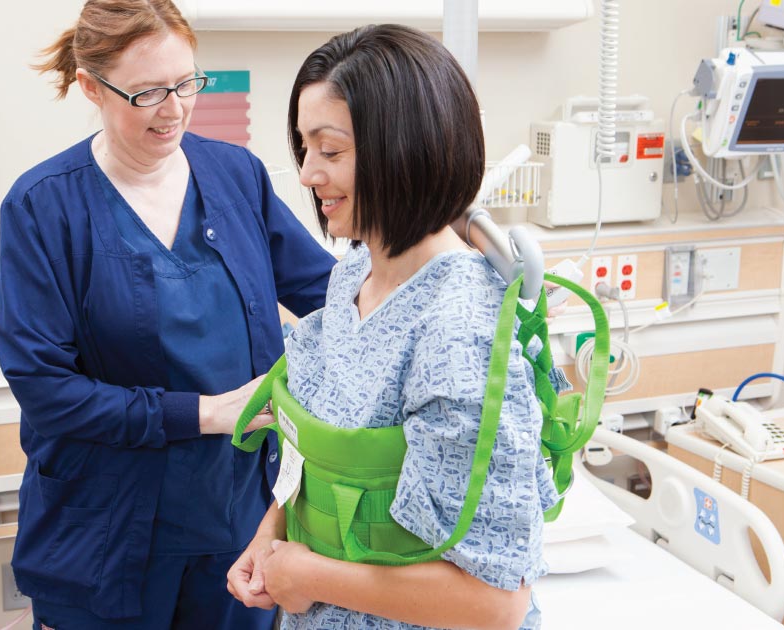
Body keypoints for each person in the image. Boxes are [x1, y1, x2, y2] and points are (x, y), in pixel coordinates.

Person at [0, 1, 336, 628]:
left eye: (186, 83)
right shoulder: (44, 207)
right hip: (106, 533)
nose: (174, 108)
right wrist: (208, 413)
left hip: (236, 516)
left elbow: (330, 294)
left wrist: (444, 282)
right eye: (148, 92)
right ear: (92, 87)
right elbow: (45, 389)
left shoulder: (236, 176)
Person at [226, 24, 558, 630]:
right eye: (305, 148)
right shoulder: (353, 272)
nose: (305, 175)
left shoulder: (458, 334)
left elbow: (496, 602)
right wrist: (271, 535)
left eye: (330, 151)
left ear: (404, 150)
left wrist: (309, 577)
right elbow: (318, 448)